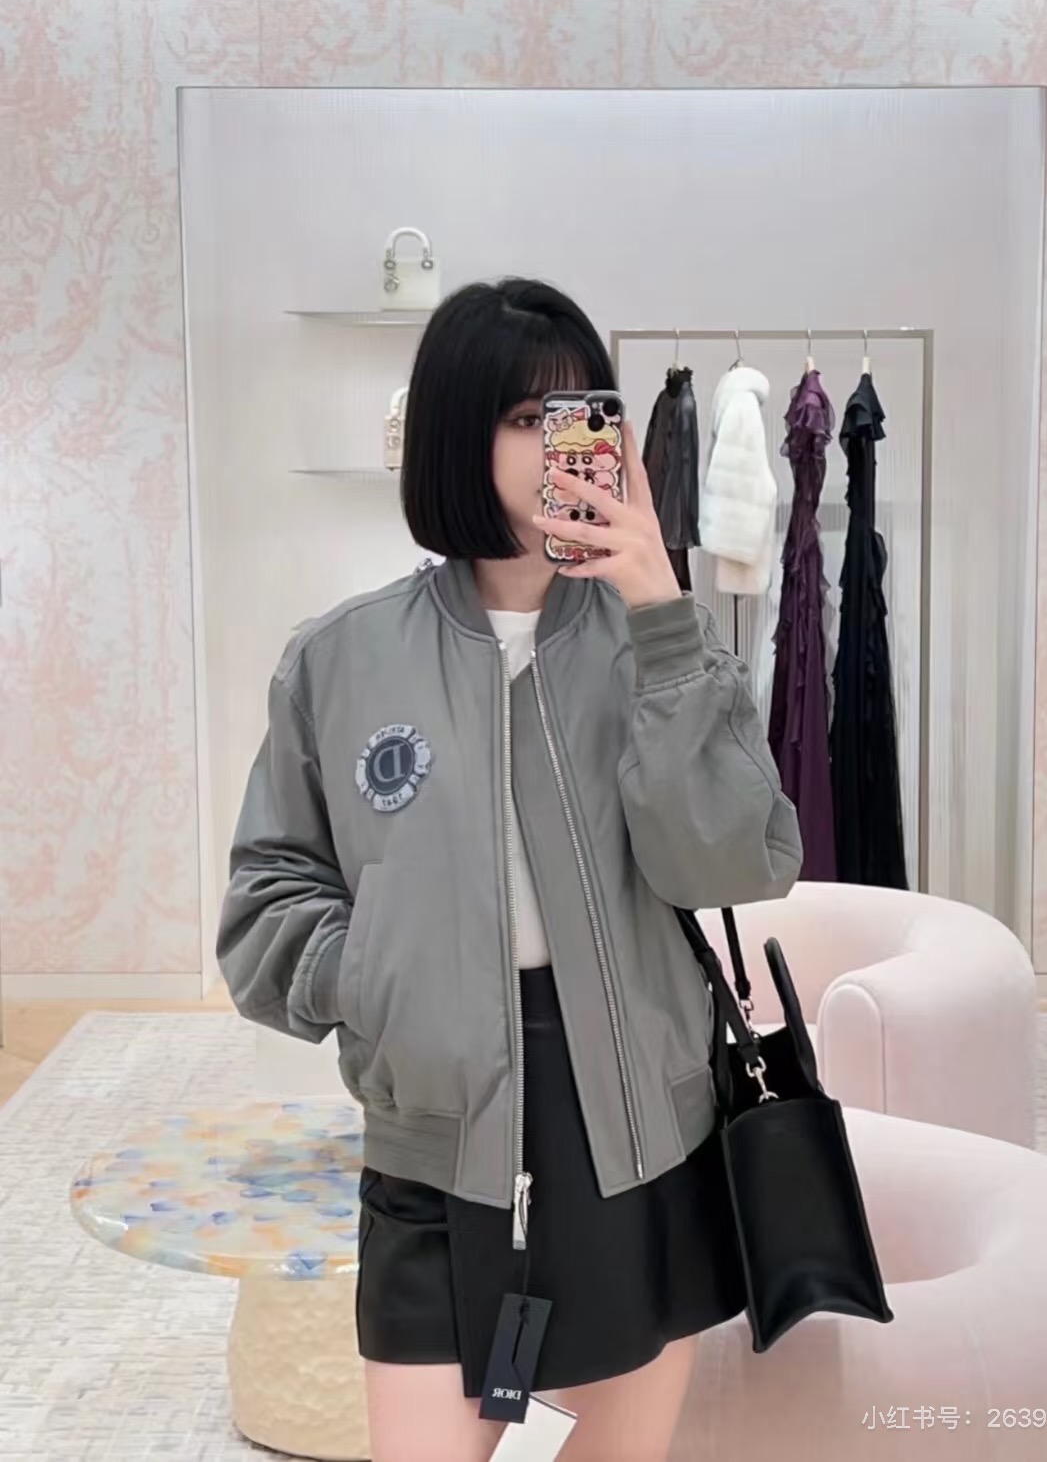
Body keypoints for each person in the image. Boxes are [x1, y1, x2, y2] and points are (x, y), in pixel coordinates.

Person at [216, 277, 803, 1462]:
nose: (559, 446)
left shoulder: (660, 641)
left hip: (639, 1136)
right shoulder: (339, 659)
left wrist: (659, 607)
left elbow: (735, 860)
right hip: (436, 1146)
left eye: (581, 414)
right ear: (455, 431)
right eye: (525, 419)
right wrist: (386, 975)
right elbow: (263, 909)